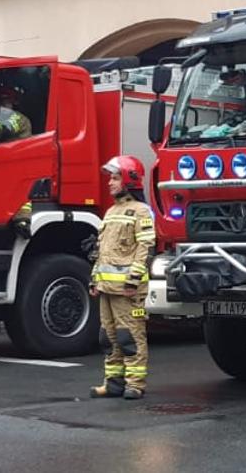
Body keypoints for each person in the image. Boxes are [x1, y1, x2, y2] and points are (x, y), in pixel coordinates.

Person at [90, 155, 156, 401]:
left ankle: (135, 384)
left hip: (128, 290)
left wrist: (133, 279)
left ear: (130, 180)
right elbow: (101, 250)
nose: (110, 183)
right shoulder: (111, 212)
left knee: (130, 337)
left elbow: (146, 247)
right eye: (110, 178)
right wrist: (94, 279)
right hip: (107, 288)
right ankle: (113, 383)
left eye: (115, 178)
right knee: (108, 338)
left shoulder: (141, 211)